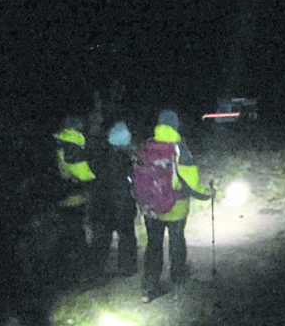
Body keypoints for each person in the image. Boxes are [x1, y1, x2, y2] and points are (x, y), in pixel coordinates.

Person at [140, 109, 212, 303]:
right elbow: (191, 179)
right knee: (176, 240)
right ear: (176, 125)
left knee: (153, 244)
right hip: (176, 205)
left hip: (151, 207)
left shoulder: (147, 145)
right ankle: (178, 277)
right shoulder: (180, 148)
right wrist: (206, 194)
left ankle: (149, 286)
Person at [88, 120, 138, 277]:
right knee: (127, 236)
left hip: (101, 202)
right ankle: (127, 268)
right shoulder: (127, 159)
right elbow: (134, 179)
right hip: (122, 202)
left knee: (102, 238)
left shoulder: (98, 155)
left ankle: (95, 271)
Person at [53, 115, 96, 285]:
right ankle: (80, 275)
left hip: (59, 196)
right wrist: (95, 176)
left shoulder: (57, 144)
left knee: (67, 233)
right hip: (74, 197)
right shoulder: (73, 146)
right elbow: (83, 173)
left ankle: (63, 273)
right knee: (77, 235)